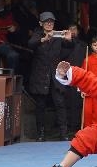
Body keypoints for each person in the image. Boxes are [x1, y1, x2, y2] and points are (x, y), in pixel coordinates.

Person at [29, 11, 75, 141]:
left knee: (60, 103)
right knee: (40, 105)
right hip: (40, 75)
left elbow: (68, 50)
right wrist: (43, 39)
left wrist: (69, 40)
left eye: (51, 21)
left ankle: (64, 133)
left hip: (56, 75)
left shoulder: (58, 35)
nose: (49, 24)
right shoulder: (37, 35)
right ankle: (40, 134)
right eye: (46, 22)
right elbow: (31, 44)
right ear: (41, 23)